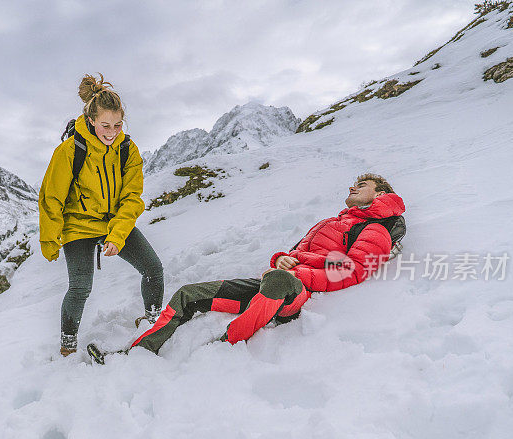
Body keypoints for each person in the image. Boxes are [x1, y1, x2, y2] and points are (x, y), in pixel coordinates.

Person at [111, 173, 405, 357]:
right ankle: (138, 352)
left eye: (362, 184)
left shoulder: (375, 230)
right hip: (277, 284)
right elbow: (293, 252)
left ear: (380, 194)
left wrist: (295, 269)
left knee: (278, 281)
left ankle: (222, 348)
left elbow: (352, 271)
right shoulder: (333, 221)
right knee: (188, 294)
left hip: (298, 293)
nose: (353, 186)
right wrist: (281, 259)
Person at [39, 74, 164, 357]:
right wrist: (50, 239)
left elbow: (132, 199)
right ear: (92, 120)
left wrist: (117, 235)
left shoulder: (127, 150)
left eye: (118, 125)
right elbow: (51, 197)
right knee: (80, 288)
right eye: (106, 125)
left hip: (112, 222)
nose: (112, 131)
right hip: (79, 225)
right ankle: (68, 347)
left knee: (153, 270)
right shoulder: (70, 150)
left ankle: (155, 322)